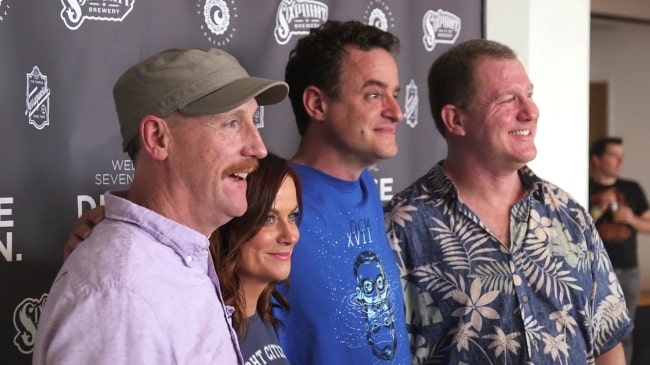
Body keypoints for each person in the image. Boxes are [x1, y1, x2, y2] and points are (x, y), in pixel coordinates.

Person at [33, 47, 288, 364]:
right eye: (231, 123)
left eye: (253, 120)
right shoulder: (120, 297)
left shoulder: (176, 257)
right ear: (157, 138)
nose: (259, 147)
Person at [384, 39, 632, 364]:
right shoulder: (402, 227)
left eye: (529, 95)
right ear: (456, 120)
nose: (530, 112)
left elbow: (607, 342)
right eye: (507, 100)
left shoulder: (568, 214)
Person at [276, 20, 411, 364]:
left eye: (394, 94)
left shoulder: (364, 185)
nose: (396, 112)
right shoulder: (273, 201)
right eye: (373, 94)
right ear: (317, 104)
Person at [211, 152, 301, 364]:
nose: (291, 235)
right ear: (231, 227)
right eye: (268, 218)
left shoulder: (261, 314)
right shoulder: (212, 333)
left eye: (292, 216)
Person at [589, 136, 650, 365]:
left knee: (626, 331)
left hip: (629, 271)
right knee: (596, 333)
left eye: (621, 156)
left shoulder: (631, 189)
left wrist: (633, 220)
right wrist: (598, 208)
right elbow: (574, 229)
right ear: (597, 159)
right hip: (595, 273)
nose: (620, 160)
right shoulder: (583, 186)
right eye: (613, 155)